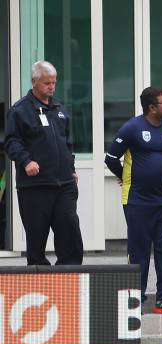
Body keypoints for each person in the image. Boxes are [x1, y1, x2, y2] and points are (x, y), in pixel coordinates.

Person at [105, 87, 162, 315]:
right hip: (137, 200)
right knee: (139, 250)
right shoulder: (132, 127)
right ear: (152, 107)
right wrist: (124, 177)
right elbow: (110, 158)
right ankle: (135, 297)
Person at [5, 60, 83, 265]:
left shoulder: (59, 108)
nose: (51, 87)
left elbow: (67, 143)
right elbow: (11, 142)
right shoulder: (20, 110)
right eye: (46, 83)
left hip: (64, 184)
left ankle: (70, 275)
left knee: (70, 230)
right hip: (35, 186)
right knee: (36, 237)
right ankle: (39, 278)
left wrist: (71, 168)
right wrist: (26, 161)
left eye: (54, 83)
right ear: (34, 82)